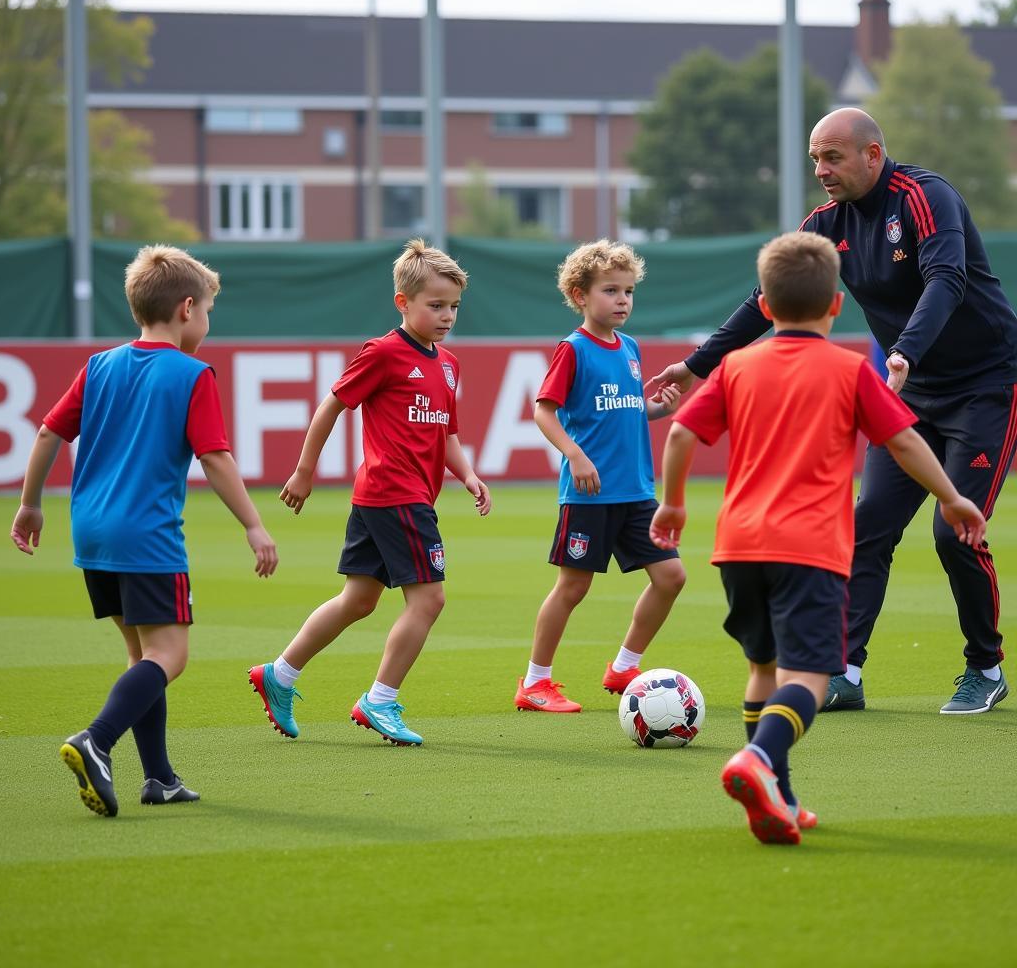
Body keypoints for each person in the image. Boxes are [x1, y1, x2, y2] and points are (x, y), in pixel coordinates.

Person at [647, 107, 1016, 715]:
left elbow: (946, 279)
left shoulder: (926, 197)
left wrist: (904, 355)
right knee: (867, 525)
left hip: (986, 384)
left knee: (955, 532)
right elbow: (767, 298)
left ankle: (985, 665)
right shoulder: (824, 223)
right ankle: (844, 669)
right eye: (815, 157)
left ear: (874, 154)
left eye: (833, 156)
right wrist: (696, 366)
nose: (821, 169)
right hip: (911, 389)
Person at [649, 232, 987, 845]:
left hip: (739, 546)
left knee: (763, 668)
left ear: (768, 308)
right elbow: (905, 441)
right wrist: (951, 496)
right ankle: (756, 761)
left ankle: (779, 795)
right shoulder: (853, 370)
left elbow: (678, 437)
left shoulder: (735, 367)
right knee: (806, 679)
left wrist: (672, 504)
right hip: (808, 548)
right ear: (837, 306)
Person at [10, 245, 278, 818]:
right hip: (148, 536)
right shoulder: (191, 374)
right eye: (207, 310)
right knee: (169, 655)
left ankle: (159, 777)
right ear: (187, 309)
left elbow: (47, 435)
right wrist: (254, 525)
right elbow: (215, 459)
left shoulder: (100, 365)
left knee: (142, 656)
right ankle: (96, 740)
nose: (207, 321)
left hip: (95, 535)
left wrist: (31, 504)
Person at [249, 239, 491, 747]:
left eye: (453, 306)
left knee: (358, 599)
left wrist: (466, 475)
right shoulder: (382, 353)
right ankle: (380, 700)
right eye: (436, 305)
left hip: (392, 498)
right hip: (394, 493)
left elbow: (445, 433)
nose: (447, 315)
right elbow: (332, 405)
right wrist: (304, 470)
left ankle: (280, 674)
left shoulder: (448, 364)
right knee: (429, 599)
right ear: (403, 303)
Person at [514, 240, 685, 714]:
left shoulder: (630, 348)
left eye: (629, 291)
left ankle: (624, 666)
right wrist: (576, 455)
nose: (623, 300)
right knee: (573, 588)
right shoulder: (573, 350)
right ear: (580, 295)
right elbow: (544, 412)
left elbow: (622, 411)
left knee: (671, 577)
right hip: (589, 494)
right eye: (611, 290)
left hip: (636, 493)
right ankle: (535, 683)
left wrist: (655, 409)